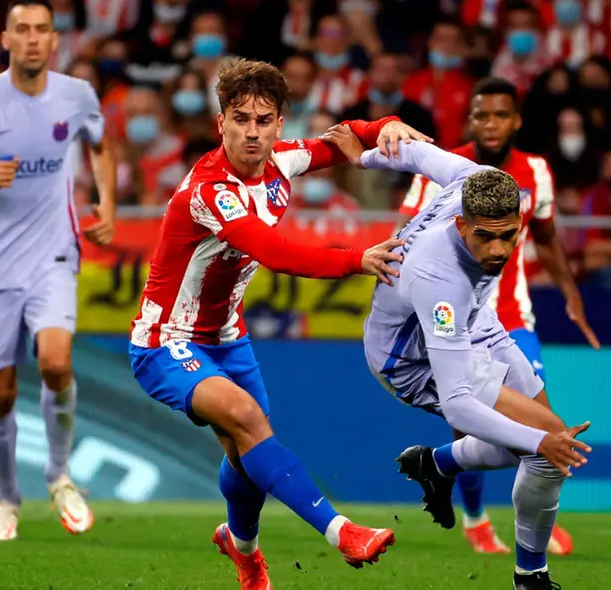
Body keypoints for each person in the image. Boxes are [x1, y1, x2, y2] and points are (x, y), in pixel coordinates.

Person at [128, 57, 432, 589]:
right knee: (247, 419)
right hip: (165, 342)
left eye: (263, 120)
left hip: (229, 339)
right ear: (220, 122)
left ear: (279, 125)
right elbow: (277, 253)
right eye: (240, 118)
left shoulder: (282, 162)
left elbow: (341, 139)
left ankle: (241, 547)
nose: (252, 131)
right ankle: (342, 533)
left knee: (248, 454)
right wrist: (355, 258)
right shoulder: (210, 191)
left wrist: (383, 127)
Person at [342, 133, 592, 590]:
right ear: (461, 225)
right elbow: (457, 405)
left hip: (478, 321)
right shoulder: (438, 277)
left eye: (508, 237)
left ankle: (437, 464)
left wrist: (365, 156)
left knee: (538, 440)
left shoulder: (479, 180)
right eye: (485, 238)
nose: (499, 251)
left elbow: (416, 152)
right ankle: (530, 577)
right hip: (410, 358)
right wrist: (541, 443)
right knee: (547, 451)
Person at [0, 0, 118, 541]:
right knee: (2, 392)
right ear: (5, 39)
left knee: (56, 362)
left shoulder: (77, 96)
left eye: (42, 30)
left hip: (54, 255)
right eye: (22, 30)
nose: (33, 39)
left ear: (54, 41)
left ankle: (58, 473)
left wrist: (106, 204)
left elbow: (102, 149)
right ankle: (7, 498)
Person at [392, 78, 598, 555]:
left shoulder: (536, 171)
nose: (490, 124)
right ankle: (477, 520)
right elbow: (405, 236)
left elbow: (545, 239)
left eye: (500, 115)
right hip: (455, 317)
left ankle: (447, 470)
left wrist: (571, 294)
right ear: (471, 120)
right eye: (481, 115)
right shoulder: (445, 172)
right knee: (472, 421)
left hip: (512, 317)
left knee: (547, 425)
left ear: (516, 120)